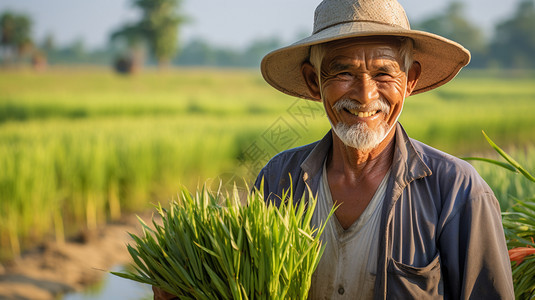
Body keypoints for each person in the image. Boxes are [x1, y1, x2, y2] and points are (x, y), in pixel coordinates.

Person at [154, 0, 514, 299]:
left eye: (384, 73)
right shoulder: (280, 180)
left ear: (410, 81)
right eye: (343, 73)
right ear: (314, 82)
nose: (364, 94)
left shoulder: (457, 191)